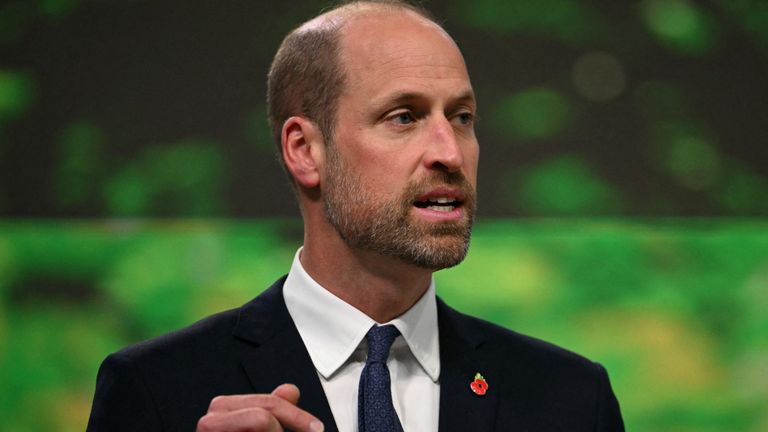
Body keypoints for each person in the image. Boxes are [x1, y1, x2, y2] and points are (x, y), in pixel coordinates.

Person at [86, 1, 625, 431]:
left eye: (461, 117)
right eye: (404, 116)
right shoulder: (156, 392)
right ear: (304, 150)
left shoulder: (573, 399)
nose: (451, 152)